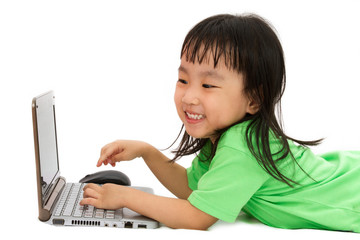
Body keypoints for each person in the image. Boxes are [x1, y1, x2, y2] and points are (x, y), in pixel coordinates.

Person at [80, 14, 360, 232]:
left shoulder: (242, 147)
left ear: (254, 98)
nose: (189, 96)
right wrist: (147, 152)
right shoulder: (225, 139)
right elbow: (195, 191)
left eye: (209, 85)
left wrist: (126, 198)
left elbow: (197, 216)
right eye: (183, 80)